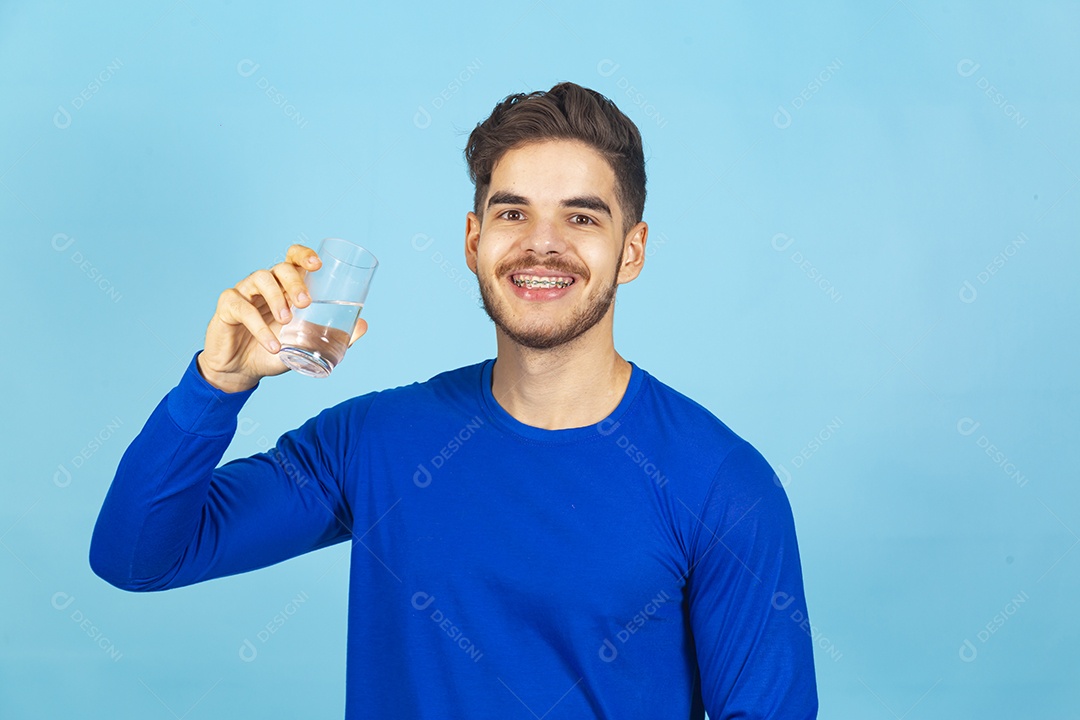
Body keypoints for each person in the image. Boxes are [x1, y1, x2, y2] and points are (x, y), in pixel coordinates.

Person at [90, 81, 818, 719]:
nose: (542, 245)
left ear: (632, 250)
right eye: (512, 214)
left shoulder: (722, 485)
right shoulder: (373, 441)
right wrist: (217, 384)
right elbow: (138, 556)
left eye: (582, 217)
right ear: (473, 240)